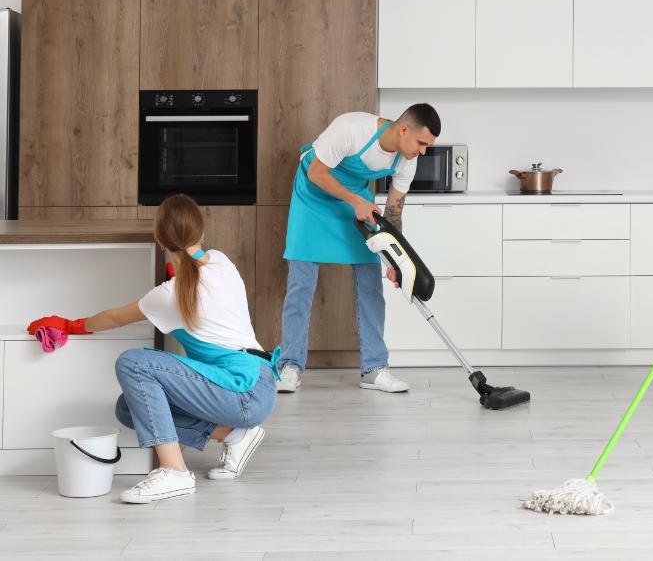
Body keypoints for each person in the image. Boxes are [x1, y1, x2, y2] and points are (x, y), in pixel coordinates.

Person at [27, 194, 277, 503]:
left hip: (242, 391)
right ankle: (236, 435)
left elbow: (113, 318)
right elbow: (193, 277)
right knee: (129, 408)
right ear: (200, 232)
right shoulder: (222, 262)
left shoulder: (167, 296)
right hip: (259, 383)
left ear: (160, 240)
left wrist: (69, 325)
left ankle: (174, 472)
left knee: (134, 363)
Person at [276, 104, 440, 394]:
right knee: (301, 284)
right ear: (403, 129)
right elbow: (316, 172)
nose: (424, 151)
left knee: (370, 285)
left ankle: (374, 369)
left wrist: (394, 261)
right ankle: (289, 367)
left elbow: (393, 215)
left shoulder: (407, 160)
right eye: (422, 143)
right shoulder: (351, 128)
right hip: (312, 196)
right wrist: (355, 202)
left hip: (355, 200)